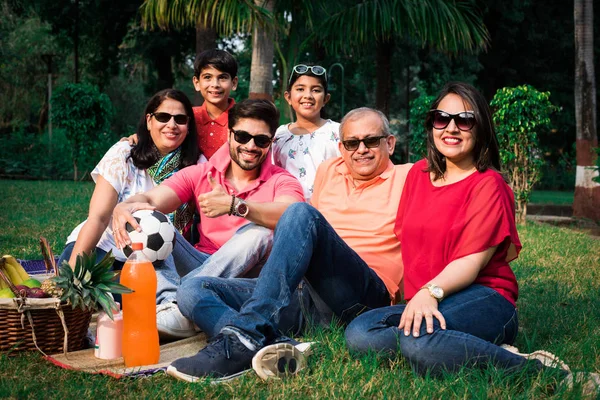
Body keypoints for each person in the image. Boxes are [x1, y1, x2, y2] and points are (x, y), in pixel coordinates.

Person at [344, 82, 600, 395]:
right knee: (360, 331)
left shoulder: (489, 185)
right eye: (442, 118)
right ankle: (478, 347)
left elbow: (471, 261)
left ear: (480, 128)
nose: (451, 128)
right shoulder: (418, 174)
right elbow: (409, 246)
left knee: (417, 341)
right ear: (432, 125)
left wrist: (430, 292)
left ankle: (538, 372)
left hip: (486, 297)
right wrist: (410, 299)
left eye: (464, 120)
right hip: (429, 300)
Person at [165, 107, 412, 383]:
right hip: (307, 297)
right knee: (193, 288)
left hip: (363, 295)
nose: (361, 150)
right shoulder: (329, 170)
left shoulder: (409, 177)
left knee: (298, 213)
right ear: (341, 148)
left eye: (371, 141)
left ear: (389, 143)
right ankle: (271, 345)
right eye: (352, 143)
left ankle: (243, 339)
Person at [112, 99, 305, 340]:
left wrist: (235, 206)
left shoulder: (282, 180)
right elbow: (152, 200)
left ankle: (178, 311)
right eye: (243, 136)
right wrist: (124, 206)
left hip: (245, 278)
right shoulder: (202, 173)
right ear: (229, 134)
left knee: (260, 232)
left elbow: (295, 216)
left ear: (271, 141)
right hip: (200, 262)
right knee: (150, 223)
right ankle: (173, 304)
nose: (251, 146)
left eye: (261, 140)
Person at [57, 89, 199, 303]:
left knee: (147, 294)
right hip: (103, 249)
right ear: (149, 120)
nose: (172, 125)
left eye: (180, 119)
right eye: (163, 117)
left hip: (154, 260)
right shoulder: (124, 154)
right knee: (83, 284)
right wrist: (74, 274)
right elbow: (99, 217)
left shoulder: (197, 166)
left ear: (188, 126)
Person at [272, 64, 340, 201]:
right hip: (288, 212)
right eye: (300, 89)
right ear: (288, 97)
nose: (307, 95)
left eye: (315, 90)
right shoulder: (280, 135)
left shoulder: (338, 132)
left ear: (326, 99)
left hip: (329, 211)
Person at [192, 49, 238, 159]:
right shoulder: (187, 117)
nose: (215, 84)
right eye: (207, 77)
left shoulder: (245, 119)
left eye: (222, 77)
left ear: (234, 83)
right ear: (197, 83)